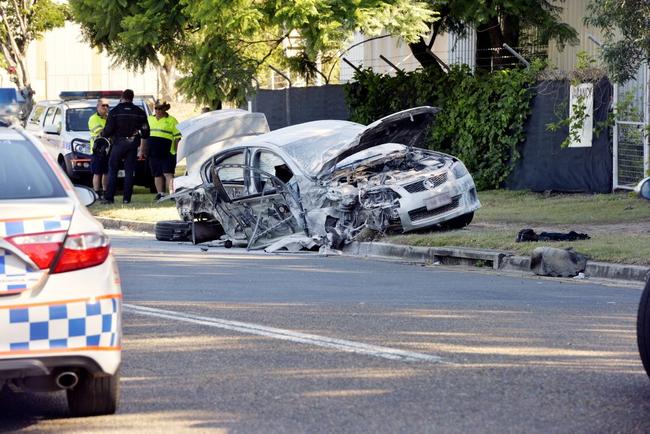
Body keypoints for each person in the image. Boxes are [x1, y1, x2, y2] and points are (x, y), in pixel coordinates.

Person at [100, 89, 150, 204]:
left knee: (112, 170)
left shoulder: (115, 111)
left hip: (117, 144)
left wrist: (102, 133)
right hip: (132, 145)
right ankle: (127, 199)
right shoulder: (139, 112)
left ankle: (109, 198)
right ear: (132, 98)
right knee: (129, 172)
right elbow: (146, 132)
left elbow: (108, 131)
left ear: (122, 97)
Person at [147, 99, 181, 199]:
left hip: (168, 152)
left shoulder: (172, 120)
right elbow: (144, 136)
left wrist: (175, 151)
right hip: (153, 152)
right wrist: (143, 149)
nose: (157, 110)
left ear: (165, 109)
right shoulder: (149, 119)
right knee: (157, 174)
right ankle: (160, 193)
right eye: (156, 108)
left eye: (160, 108)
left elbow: (177, 137)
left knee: (168, 173)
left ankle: (172, 194)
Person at [88, 98, 110, 198]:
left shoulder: (109, 118)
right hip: (97, 150)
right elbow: (101, 132)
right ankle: (96, 192)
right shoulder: (93, 118)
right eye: (103, 106)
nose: (105, 108)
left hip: (108, 149)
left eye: (107, 106)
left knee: (106, 172)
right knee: (97, 172)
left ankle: (105, 192)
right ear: (98, 107)